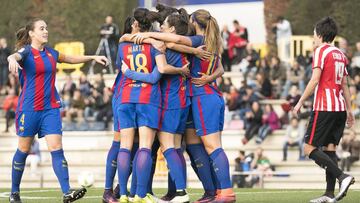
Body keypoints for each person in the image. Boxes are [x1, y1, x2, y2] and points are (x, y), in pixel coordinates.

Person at [132, 9, 236, 203]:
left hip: (202, 97)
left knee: (212, 146)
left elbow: (174, 41)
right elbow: (220, 67)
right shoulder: (212, 41)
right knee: (195, 146)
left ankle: (226, 192)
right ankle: (212, 192)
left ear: (195, 22)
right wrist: (211, 77)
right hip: (201, 95)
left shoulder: (198, 39)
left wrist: (147, 35)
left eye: (190, 20)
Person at [7, 18, 108, 203]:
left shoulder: (51, 53)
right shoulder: (27, 51)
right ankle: (14, 193)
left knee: (57, 148)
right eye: (42, 28)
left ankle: (67, 191)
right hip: (29, 109)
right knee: (23, 149)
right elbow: (16, 56)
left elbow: (70, 59)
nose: (46, 31)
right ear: (31, 33)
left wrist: (92, 57)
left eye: (46, 28)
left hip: (50, 108)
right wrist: (10, 58)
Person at [293, 17, 355, 203]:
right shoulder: (340, 54)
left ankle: (342, 176)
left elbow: (314, 79)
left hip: (324, 106)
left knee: (308, 148)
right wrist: (350, 111)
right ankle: (329, 194)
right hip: (339, 108)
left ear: (320, 35)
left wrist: (299, 101)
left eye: (313, 35)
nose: (313, 38)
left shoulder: (321, 51)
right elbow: (344, 84)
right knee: (329, 150)